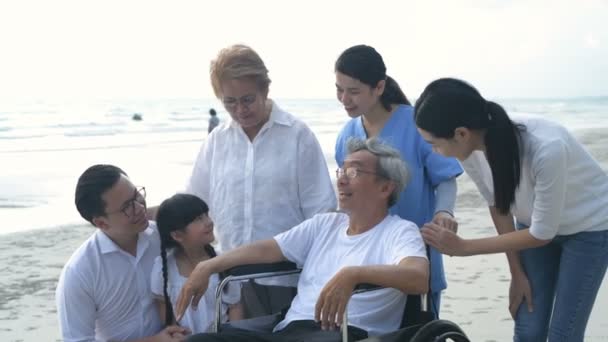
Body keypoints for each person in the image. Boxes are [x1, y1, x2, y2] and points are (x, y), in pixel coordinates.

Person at [147, 44, 337, 318]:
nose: (240, 110)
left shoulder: (297, 136)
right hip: (229, 280)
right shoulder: (217, 141)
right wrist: (144, 214)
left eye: (248, 99)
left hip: (287, 278)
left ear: (265, 90)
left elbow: (321, 213)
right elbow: (192, 202)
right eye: (230, 102)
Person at [175, 138, 429, 342]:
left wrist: (353, 274)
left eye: (354, 172)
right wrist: (208, 266)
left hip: (345, 333)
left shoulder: (399, 232)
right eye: (342, 169)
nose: (340, 179)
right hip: (290, 330)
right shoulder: (324, 224)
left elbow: (418, 278)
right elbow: (265, 249)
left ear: (385, 188)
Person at [414, 77, 608, 342]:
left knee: (564, 334)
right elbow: (499, 205)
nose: (435, 152)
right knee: (528, 324)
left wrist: (464, 247)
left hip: (590, 228)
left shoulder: (546, 147)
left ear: (461, 133)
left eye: (433, 143)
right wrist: (517, 273)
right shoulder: (468, 149)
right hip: (533, 226)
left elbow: (542, 234)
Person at [333, 44, 463, 315]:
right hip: (366, 256)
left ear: (379, 87)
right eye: (339, 89)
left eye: (354, 91)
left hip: (413, 254)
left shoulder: (416, 124)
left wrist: (443, 212)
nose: (345, 98)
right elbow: (347, 194)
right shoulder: (347, 135)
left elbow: (446, 178)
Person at [55, 164, 189, 342]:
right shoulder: (80, 272)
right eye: (127, 206)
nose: (140, 207)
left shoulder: (163, 237)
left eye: (136, 195)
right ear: (102, 223)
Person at [152, 193, 243, 333]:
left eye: (206, 214)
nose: (209, 222)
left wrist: (235, 336)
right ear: (177, 235)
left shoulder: (222, 261)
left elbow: (235, 306)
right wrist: (176, 334)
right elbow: (162, 304)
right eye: (198, 219)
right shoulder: (163, 268)